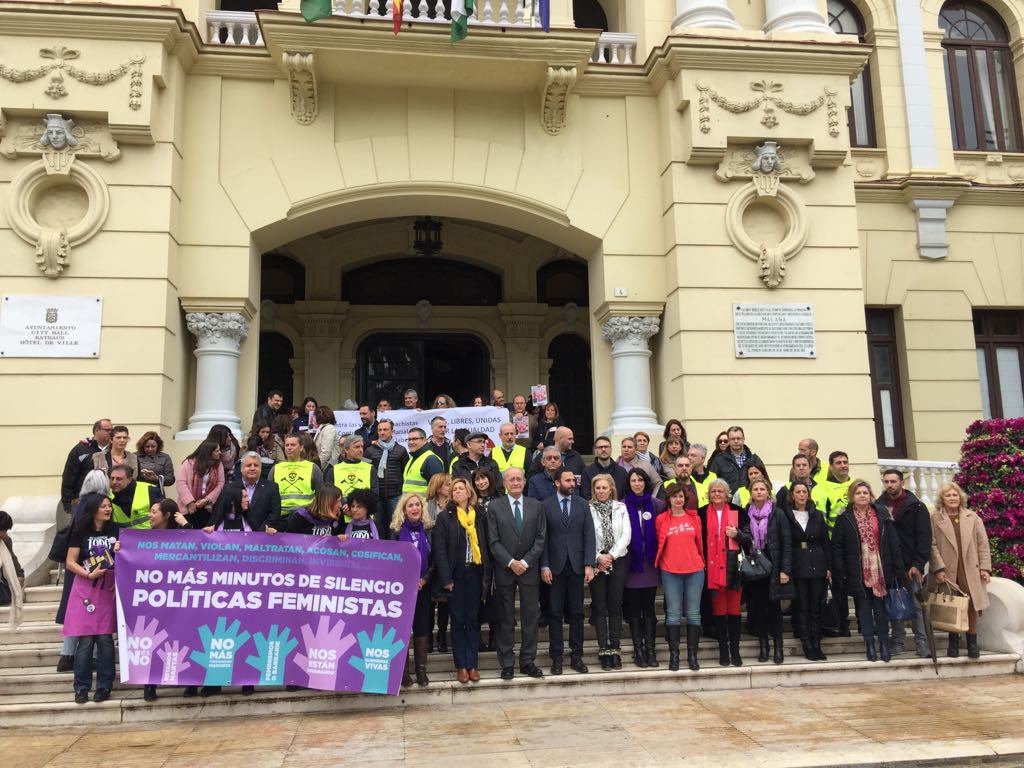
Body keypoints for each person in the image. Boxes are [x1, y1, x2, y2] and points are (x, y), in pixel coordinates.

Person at [831, 479, 905, 662]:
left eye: (865, 492)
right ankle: (869, 644)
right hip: (857, 571)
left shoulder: (882, 515)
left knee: (880, 610)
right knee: (863, 610)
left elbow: (893, 543)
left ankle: (883, 644)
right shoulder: (844, 518)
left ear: (870, 495)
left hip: (881, 569)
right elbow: (838, 548)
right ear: (852, 496)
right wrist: (841, 571)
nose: (862, 496)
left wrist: (897, 568)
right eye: (858, 493)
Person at [486, 467, 547, 680]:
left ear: (524, 481)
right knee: (505, 618)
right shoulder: (494, 507)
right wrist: (511, 562)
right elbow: (493, 541)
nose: (515, 482)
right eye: (511, 479)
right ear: (504, 483)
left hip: (529, 570)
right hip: (505, 570)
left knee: (530, 616)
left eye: (519, 479)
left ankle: (528, 660)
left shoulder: (536, 506)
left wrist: (526, 561)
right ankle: (507, 662)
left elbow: (541, 538)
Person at [63, 495, 121, 704]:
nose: (107, 509)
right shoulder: (81, 531)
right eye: (103, 506)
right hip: (85, 586)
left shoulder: (116, 530)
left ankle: (105, 685)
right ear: (93, 509)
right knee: (85, 640)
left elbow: (126, 556)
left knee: (105, 639)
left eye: (109, 506)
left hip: (108, 587)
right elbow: (70, 562)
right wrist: (88, 574)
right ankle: (81, 687)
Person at [433, 478, 490, 684]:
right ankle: (461, 666)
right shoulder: (445, 517)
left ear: (468, 492)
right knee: (457, 620)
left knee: (473, 619)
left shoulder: (480, 515)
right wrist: (446, 578)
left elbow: (486, 545)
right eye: (454, 489)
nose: (457, 492)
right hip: (456, 576)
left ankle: (472, 664)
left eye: (461, 489)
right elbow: (439, 551)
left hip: (475, 573)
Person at [540, 468, 595, 675]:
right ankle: (556, 657)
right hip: (554, 567)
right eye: (568, 480)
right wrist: (544, 565)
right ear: (557, 482)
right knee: (554, 613)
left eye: (573, 480)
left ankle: (577, 655)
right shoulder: (545, 505)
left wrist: (589, 563)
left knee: (577, 612)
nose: (572, 484)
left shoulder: (582, 504)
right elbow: (542, 538)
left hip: (577, 565)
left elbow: (589, 534)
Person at [928, 481, 991, 659]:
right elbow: (931, 545)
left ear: (960, 497)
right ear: (942, 499)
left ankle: (972, 642)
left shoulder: (973, 517)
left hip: (970, 568)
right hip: (947, 569)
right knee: (952, 604)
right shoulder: (934, 518)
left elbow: (983, 544)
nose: (952, 498)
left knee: (971, 604)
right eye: (948, 495)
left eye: (955, 495)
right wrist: (938, 568)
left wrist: (985, 567)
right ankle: (953, 643)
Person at [880, 468, 932, 657]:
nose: (889, 485)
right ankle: (897, 642)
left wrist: (918, 564)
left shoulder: (916, 506)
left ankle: (922, 643)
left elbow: (924, 538)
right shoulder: (879, 506)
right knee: (895, 604)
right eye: (886, 481)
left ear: (901, 483)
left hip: (911, 565)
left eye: (893, 481)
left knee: (918, 607)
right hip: (890, 565)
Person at [142, 499, 190, 701]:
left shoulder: (183, 536)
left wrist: (187, 525)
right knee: (152, 642)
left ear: (167, 515)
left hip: (180, 599)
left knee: (185, 638)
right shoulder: (143, 538)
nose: (150, 516)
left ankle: (190, 683)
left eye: (154, 512)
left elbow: (201, 548)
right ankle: (149, 684)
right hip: (155, 600)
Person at [700, 478, 750, 667]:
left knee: (734, 610)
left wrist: (737, 534)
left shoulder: (738, 512)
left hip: (733, 569)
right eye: (714, 491)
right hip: (712, 570)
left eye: (721, 491)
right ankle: (723, 649)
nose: (717, 494)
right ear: (709, 494)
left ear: (727, 493)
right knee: (719, 611)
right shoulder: (702, 513)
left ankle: (735, 650)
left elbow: (749, 539)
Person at [742, 478, 792, 665]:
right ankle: (764, 646)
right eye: (755, 489)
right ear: (751, 492)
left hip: (774, 566)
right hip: (755, 567)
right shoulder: (747, 513)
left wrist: (785, 569)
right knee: (758, 609)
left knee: (774, 610)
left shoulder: (777, 514)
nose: (759, 492)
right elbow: (744, 538)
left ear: (768, 492)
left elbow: (786, 543)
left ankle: (778, 646)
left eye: (762, 489)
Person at [655, 482, 704, 672]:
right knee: (673, 614)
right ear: (669, 499)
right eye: (674, 496)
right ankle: (674, 655)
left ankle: (692, 655)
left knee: (693, 613)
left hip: (695, 570)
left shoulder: (695, 518)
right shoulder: (661, 520)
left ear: (686, 498)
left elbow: (699, 543)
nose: (678, 499)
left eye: (681, 496)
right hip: (670, 571)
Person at [782, 481, 831, 661]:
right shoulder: (786, 515)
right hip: (797, 563)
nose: (801, 494)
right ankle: (807, 643)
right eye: (798, 492)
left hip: (817, 562)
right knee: (802, 605)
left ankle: (816, 641)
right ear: (792, 495)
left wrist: (829, 567)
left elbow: (825, 541)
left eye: (804, 491)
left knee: (815, 605)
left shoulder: (817, 515)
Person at [391, 493, 435, 686]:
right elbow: (391, 560)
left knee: (421, 627)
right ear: (404, 509)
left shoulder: (430, 531)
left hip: (423, 588)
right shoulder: (395, 532)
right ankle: (403, 671)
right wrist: (407, 580)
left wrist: (424, 579)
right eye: (411, 505)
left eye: (418, 505)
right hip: (401, 589)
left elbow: (435, 561)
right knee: (402, 629)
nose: (415, 508)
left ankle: (421, 669)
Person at [588, 474, 630, 670]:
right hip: (597, 562)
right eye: (598, 488)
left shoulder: (621, 508)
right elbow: (586, 536)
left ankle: (615, 648)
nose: (601, 491)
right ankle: (603, 649)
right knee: (599, 607)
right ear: (594, 490)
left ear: (611, 489)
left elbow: (626, 535)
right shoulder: (588, 509)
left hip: (617, 560)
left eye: (605, 488)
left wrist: (610, 555)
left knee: (615, 606)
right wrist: (599, 557)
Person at [622, 468, 663, 668]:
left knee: (648, 609)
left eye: (640, 480)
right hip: (630, 565)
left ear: (646, 482)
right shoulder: (621, 506)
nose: (637, 484)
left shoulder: (656, 505)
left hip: (650, 565)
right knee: (634, 610)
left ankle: (651, 650)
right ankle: (638, 650)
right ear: (628, 484)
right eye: (633, 480)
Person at [208, 452, 282, 533]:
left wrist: (259, 534)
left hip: (262, 537)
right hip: (232, 537)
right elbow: (219, 512)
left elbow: (274, 514)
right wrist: (211, 528)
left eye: (256, 465)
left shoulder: (272, 488)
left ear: (261, 469)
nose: (252, 468)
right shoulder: (229, 488)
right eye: (249, 465)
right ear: (241, 469)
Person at [472, 468, 501, 652]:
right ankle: (478, 639)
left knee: (496, 599)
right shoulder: (472, 502)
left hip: (498, 554)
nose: (481, 482)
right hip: (479, 555)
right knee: (478, 598)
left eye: (484, 479)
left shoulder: (500, 500)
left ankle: (495, 636)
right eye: (477, 479)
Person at [425, 472, 453, 654]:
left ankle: (442, 636)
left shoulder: (453, 505)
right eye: (446, 484)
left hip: (447, 557)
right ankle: (427, 638)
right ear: (437, 486)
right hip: (429, 557)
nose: (450, 487)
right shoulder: (426, 506)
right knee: (429, 604)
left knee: (445, 602)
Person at [61, 418, 113, 514]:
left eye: (112, 430)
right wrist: (67, 501)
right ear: (97, 430)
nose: (111, 432)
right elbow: (69, 475)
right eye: (107, 430)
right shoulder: (80, 449)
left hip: (109, 503)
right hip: (83, 501)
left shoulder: (115, 450)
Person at [365, 418, 408, 529]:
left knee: (395, 526)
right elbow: (364, 473)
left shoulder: (401, 450)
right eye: (380, 430)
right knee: (376, 526)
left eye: (385, 429)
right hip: (376, 496)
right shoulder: (370, 450)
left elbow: (405, 472)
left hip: (395, 496)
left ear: (392, 431)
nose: (382, 432)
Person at [268, 433, 323, 520]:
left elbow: (321, 495)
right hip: (280, 517)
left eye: (293, 445)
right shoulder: (275, 469)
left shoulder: (313, 468)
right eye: (287, 445)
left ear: (301, 448)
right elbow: (269, 496)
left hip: (305, 516)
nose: (289, 448)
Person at [176, 440, 225, 529]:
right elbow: (181, 483)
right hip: (189, 508)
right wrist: (190, 502)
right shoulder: (189, 463)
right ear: (209, 452)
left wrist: (207, 500)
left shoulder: (219, 465)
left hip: (206, 507)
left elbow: (220, 484)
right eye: (217, 451)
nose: (220, 452)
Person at [325, 435, 373, 521]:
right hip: (340, 516)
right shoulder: (334, 469)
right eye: (357, 447)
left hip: (364, 518)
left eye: (362, 446)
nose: (361, 450)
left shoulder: (370, 468)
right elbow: (329, 493)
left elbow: (374, 492)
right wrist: (345, 506)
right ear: (346, 450)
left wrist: (357, 508)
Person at [707, 426, 762, 494]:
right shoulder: (718, 461)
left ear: (743, 439)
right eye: (733, 439)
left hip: (750, 502)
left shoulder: (754, 459)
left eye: (738, 438)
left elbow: (765, 481)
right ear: (729, 440)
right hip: (728, 503)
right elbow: (711, 485)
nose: (736, 441)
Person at [109, 465, 162, 529]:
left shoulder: (150, 490)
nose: (114, 482)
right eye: (112, 478)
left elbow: (162, 516)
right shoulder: (108, 494)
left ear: (130, 479)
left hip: (148, 535)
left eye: (119, 479)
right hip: (121, 535)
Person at [581, 435, 627, 501]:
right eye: (600, 447)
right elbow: (586, 495)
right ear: (595, 450)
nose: (603, 449)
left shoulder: (621, 471)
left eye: (606, 447)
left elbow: (624, 495)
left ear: (611, 449)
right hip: (594, 509)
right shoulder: (587, 471)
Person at [403, 428, 446, 496]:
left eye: (415, 439)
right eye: (409, 439)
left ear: (425, 440)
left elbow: (438, 490)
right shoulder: (412, 459)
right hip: (412, 505)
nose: (411, 442)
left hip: (425, 505)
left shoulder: (431, 459)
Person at [0, 510, 25, 624]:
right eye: (3, 530)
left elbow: (12, 557)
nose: (4, 534)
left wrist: (19, 574)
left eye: (5, 531)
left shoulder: (5, 540)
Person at [687, 443, 717, 507]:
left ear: (703, 458)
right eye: (688, 455)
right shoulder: (685, 477)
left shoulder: (713, 477)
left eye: (693, 455)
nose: (689, 458)